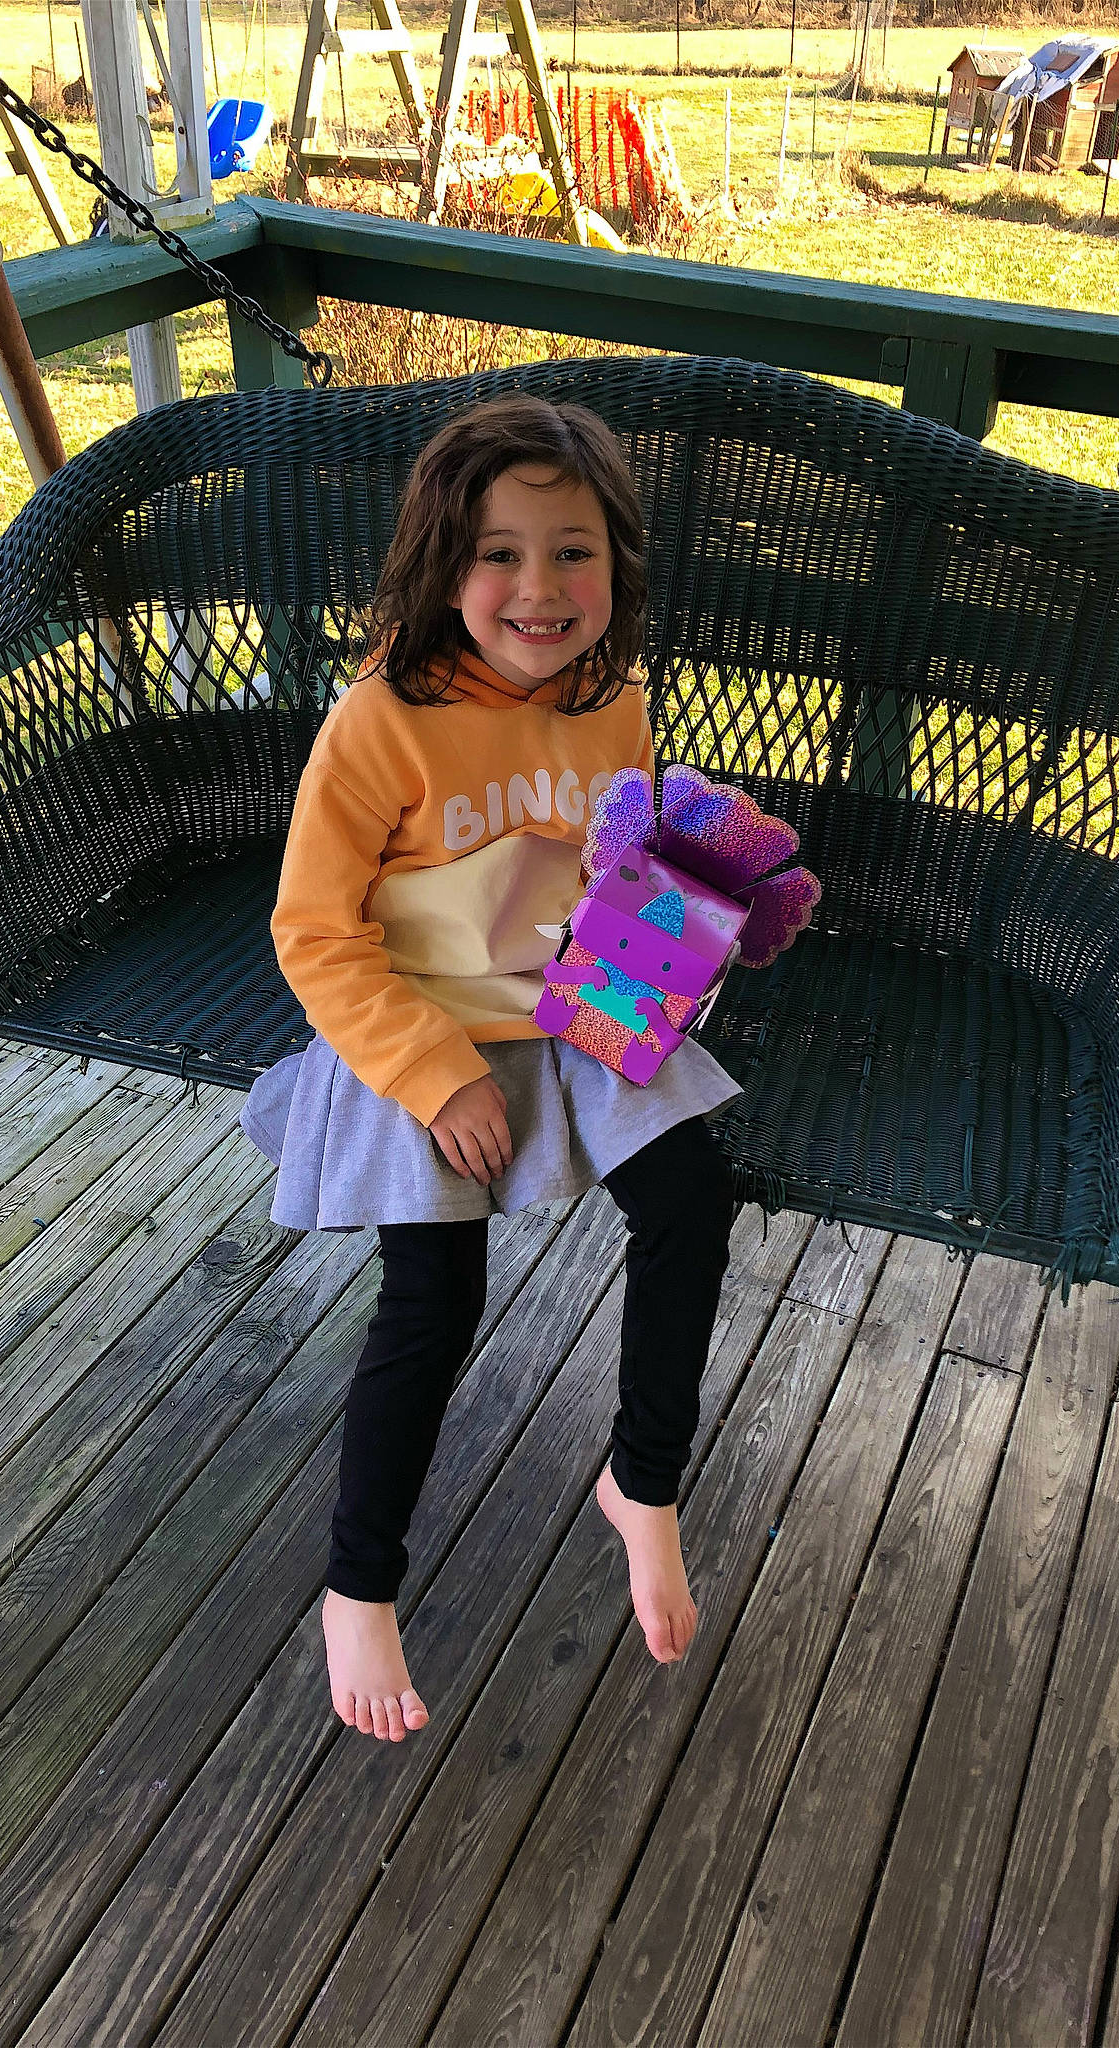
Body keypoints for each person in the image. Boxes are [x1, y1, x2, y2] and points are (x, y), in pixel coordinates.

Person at [241, 394, 739, 1743]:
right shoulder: (382, 723)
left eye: (573, 552)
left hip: (569, 1003)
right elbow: (312, 931)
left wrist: (687, 927)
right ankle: (360, 1583)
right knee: (433, 1288)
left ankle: (644, 1483)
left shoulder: (613, 704)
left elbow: (617, 878)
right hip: (417, 1018)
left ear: (616, 570)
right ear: (444, 564)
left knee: (694, 1197)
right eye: (501, 552)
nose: (538, 587)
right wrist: (436, 1075)